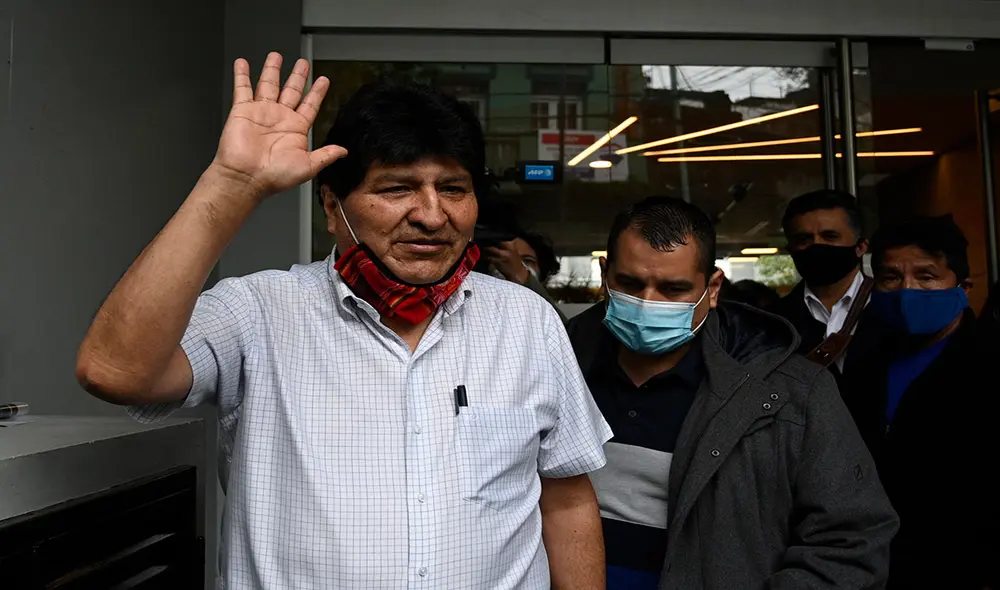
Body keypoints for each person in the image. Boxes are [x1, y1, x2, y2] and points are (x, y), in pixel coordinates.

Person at [76, 55, 612, 589]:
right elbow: (114, 372)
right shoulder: (257, 311)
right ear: (333, 207)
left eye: (453, 189)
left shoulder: (527, 321)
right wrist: (231, 184)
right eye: (396, 189)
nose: (432, 215)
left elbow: (565, 499)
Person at [566, 196, 898, 589]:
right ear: (605, 274)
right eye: (630, 284)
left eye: (673, 289)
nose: (647, 303)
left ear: (712, 288)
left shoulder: (790, 392)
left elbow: (851, 541)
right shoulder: (556, 369)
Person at [843, 215, 999, 590]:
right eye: (891, 277)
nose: (907, 290)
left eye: (926, 277)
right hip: (874, 566)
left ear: (962, 287)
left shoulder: (989, 364)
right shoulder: (864, 363)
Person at [769, 190, 878, 383]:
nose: (816, 246)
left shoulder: (892, 306)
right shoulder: (772, 321)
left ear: (860, 247)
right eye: (804, 239)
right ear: (790, 250)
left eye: (830, 236)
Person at [486, 229, 567, 321]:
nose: (513, 265)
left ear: (542, 273)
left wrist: (520, 275)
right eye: (503, 260)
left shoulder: (548, 318)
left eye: (527, 260)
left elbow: (563, 327)